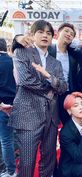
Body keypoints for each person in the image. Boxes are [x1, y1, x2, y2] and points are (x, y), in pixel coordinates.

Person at [8, 20, 67, 177]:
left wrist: (49, 77)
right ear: (32, 35)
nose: (45, 35)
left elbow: (63, 87)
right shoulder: (22, 53)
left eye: (48, 33)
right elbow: (25, 80)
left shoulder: (56, 63)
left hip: (51, 118)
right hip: (28, 115)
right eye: (41, 32)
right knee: (27, 163)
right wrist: (50, 90)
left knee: (49, 162)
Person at [12, 22, 82, 125]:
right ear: (58, 33)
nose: (69, 34)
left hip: (66, 93)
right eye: (66, 31)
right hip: (45, 93)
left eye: (72, 34)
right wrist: (18, 38)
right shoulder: (47, 48)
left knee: (67, 124)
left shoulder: (73, 56)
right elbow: (22, 47)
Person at [58, 92, 82, 177]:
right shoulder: (65, 133)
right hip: (70, 166)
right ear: (69, 111)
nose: (81, 107)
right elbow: (79, 158)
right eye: (76, 105)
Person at [0, 38, 16, 177]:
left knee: (5, 140)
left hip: (2, 106)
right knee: (18, 138)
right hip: (17, 104)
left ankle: (10, 171)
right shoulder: (13, 61)